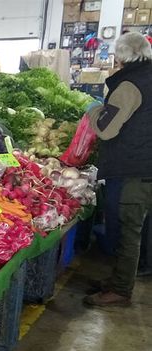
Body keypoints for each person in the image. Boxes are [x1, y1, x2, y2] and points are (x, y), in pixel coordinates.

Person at [84, 32, 152, 307]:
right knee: (140, 229)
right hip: (146, 165)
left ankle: (120, 289)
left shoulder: (130, 85)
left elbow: (106, 129)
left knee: (126, 230)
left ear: (121, 56)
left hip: (132, 169)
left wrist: (93, 111)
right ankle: (120, 279)